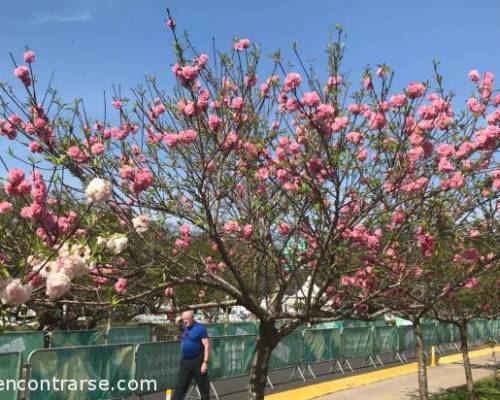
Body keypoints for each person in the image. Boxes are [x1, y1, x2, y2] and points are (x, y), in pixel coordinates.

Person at [172, 310, 211, 400]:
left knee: (204, 387)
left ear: (192, 318)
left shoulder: (200, 328)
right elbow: (176, 319)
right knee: (180, 387)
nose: (184, 321)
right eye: (183, 319)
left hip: (198, 360)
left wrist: (205, 362)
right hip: (185, 361)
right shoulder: (183, 326)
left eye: (187, 319)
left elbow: (207, 345)